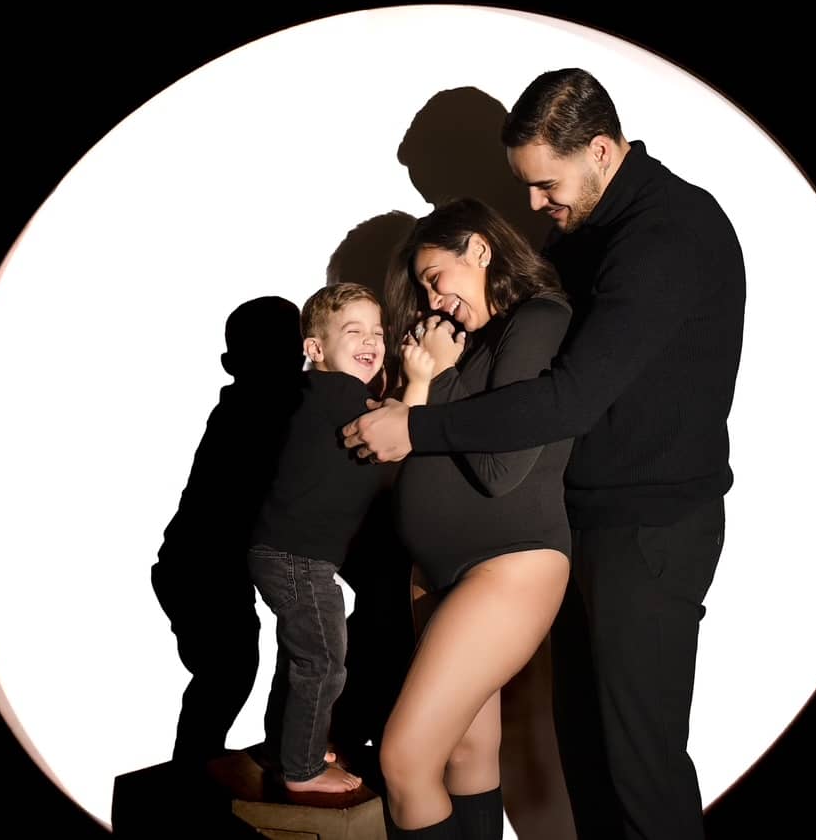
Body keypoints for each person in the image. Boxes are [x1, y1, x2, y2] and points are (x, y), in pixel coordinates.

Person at [344, 68, 746, 840]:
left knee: (638, 766)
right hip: (585, 520)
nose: (533, 205)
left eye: (545, 184)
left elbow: (569, 400)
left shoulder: (669, 233)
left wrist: (417, 428)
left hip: (648, 527)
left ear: (601, 150)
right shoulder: (582, 235)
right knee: (586, 761)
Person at [375, 197, 574, 839]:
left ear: (480, 249)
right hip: (434, 571)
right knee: (465, 753)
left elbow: (500, 468)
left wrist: (440, 374)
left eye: (437, 277)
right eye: (425, 288)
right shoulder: (461, 344)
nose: (433, 299)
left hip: (508, 563)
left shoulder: (539, 320)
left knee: (404, 762)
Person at [150, 295, 303, 770]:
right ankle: (191, 774)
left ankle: (198, 768)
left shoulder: (258, 404)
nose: (290, 364)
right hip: (199, 569)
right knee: (229, 670)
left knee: (231, 669)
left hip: (204, 567)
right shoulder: (253, 410)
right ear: (232, 365)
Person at [247, 281, 389, 793]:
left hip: (283, 553)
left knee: (299, 656)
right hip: (300, 560)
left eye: (378, 331)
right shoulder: (341, 392)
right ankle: (303, 770)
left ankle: (287, 747)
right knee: (324, 661)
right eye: (354, 331)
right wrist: (420, 381)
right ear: (315, 348)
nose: (370, 340)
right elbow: (393, 439)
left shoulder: (317, 394)